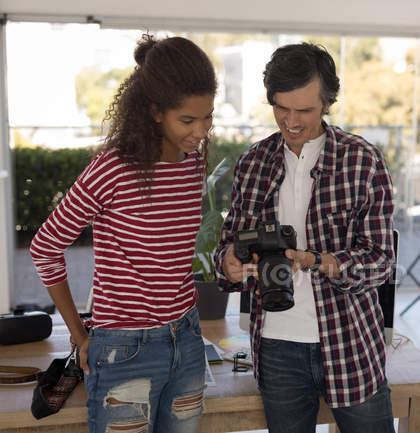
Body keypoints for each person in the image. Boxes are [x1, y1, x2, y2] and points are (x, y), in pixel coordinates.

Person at [30, 34, 217, 433]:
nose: (201, 131)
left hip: (186, 337)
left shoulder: (192, 164)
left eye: (208, 117)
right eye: (187, 120)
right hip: (124, 349)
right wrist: (80, 336)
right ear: (154, 112)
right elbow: (45, 247)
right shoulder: (113, 169)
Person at [214, 42, 396, 433]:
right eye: (282, 108)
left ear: (328, 103)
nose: (291, 121)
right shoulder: (253, 162)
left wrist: (317, 261)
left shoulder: (362, 160)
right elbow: (228, 246)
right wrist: (229, 263)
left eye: (305, 110)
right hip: (276, 346)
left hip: (350, 341)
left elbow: (381, 261)